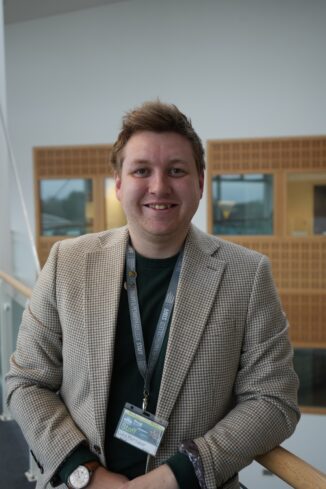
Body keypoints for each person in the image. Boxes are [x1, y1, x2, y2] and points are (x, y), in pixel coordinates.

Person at [6, 101, 300, 489]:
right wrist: (84, 473)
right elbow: (26, 382)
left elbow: (274, 401)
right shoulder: (67, 262)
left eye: (176, 171)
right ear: (118, 183)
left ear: (199, 182)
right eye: (142, 170)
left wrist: (179, 475)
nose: (159, 186)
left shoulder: (246, 275)